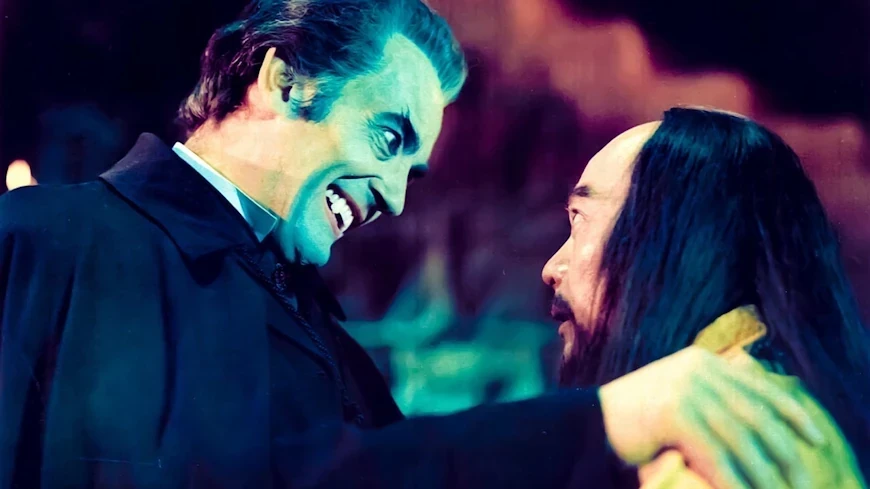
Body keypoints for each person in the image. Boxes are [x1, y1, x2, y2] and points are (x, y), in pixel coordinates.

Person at [0, 0, 825, 486]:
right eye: (389, 138)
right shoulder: (43, 242)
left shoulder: (323, 336)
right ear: (285, 80)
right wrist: (607, 419)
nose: (395, 198)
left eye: (413, 169)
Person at [543, 107, 870, 488]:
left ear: (670, 239)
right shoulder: (780, 402)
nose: (552, 268)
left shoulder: (706, 454)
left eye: (580, 218)